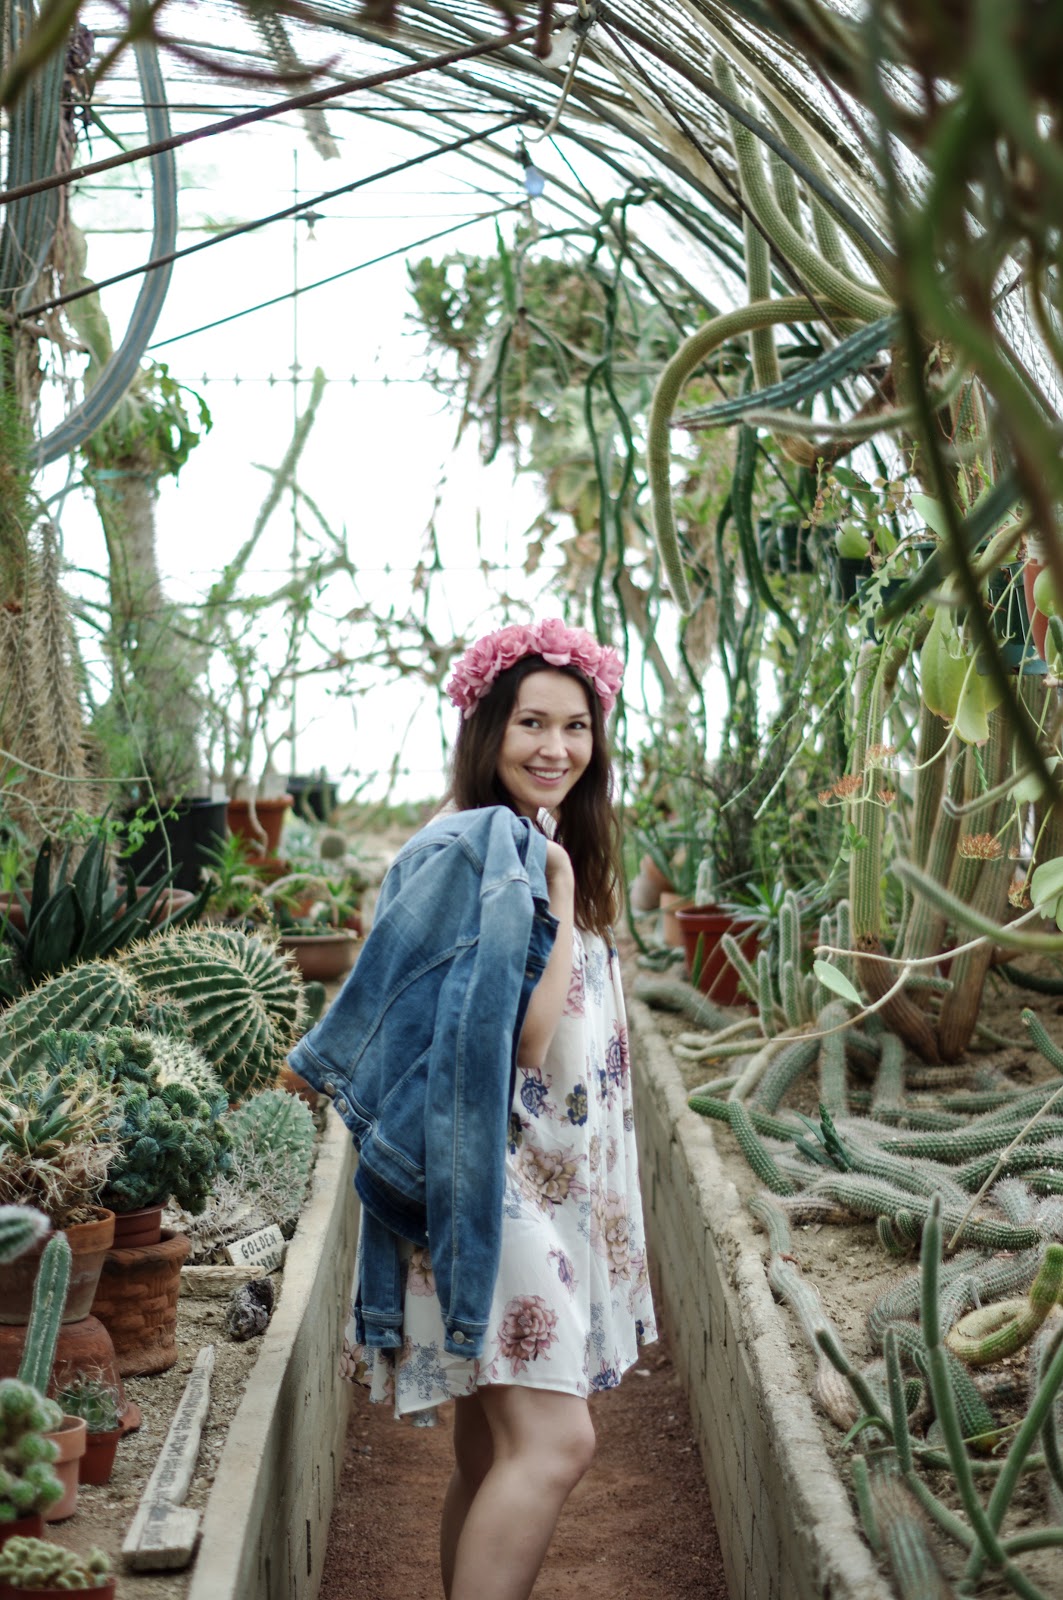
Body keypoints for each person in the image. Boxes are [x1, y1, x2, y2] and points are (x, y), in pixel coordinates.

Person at [288, 618, 657, 1600]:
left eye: (575, 726)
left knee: (489, 1448)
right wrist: (561, 890)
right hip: (488, 1183)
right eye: (530, 722)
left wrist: (564, 878)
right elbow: (523, 1041)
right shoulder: (488, 850)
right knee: (557, 1442)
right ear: (486, 728)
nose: (555, 747)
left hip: (533, 1178)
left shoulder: (525, 842)